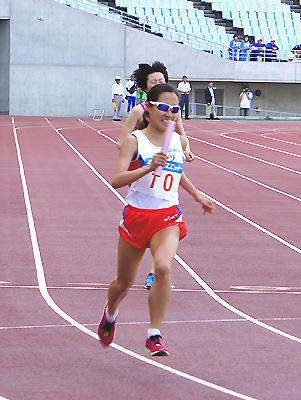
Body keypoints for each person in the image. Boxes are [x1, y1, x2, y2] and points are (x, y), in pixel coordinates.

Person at [97, 83, 215, 356]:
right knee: (123, 283)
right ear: (148, 109)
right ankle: (111, 312)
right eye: (163, 107)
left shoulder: (177, 140)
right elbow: (116, 180)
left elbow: (176, 172)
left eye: (175, 109)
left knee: (163, 268)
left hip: (167, 216)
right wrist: (148, 167)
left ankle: (154, 333)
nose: (169, 113)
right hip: (137, 217)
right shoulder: (134, 141)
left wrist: (197, 196)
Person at [116, 62, 196, 290]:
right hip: (144, 167)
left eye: (162, 80)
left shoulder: (172, 109)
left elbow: (181, 134)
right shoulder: (138, 112)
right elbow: (122, 142)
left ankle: (154, 272)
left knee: (167, 221)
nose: (159, 84)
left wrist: (186, 150)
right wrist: (143, 142)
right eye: (154, 81)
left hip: (166, 166)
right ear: (145, 87)